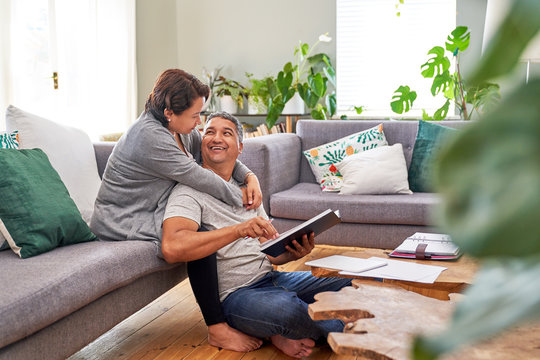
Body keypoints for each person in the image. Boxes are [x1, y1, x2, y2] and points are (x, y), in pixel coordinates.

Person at [90, 69, 275, 352]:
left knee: (203, 230)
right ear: (169, 112)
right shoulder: (149, 137)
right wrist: (245, 203)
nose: (199, 122)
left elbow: (209, 152)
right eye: (194, 116)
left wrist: (251, 177)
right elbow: (199, 175)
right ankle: (217, 327)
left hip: (151, 206)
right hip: (124, 218)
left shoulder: (179, 130)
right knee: (202, 235)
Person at [162, 112, 352, 358]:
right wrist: (237, 230)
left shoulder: (248, 189)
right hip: (238, 296)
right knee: (289, 311)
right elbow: (172, 246)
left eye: (226, 133)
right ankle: (350, 327)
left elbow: (270, 253)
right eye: (209, 131)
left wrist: (293, 251)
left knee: (356, 281)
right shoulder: (189, 191)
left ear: (240, 147)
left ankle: (292, 329)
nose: (216, 138)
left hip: (273, 279)